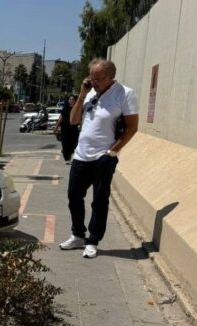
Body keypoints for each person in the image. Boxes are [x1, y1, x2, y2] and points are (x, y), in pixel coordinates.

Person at [59, 58, 139, 259]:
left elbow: (132, 128)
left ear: (111, 77)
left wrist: (111, 152)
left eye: (99, 78)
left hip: (103, 157)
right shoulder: (90, 92)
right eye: (92, 77)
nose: (94, 81)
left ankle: (93, 240)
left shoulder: (125, 94)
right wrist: (82, 93)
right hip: (81, 155)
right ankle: (78, 234)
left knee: (99, 200)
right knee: (73, 196)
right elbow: (74, 120)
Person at [54, 95, 79, 163]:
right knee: (65, 144)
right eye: (70, 99)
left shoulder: (77, 109)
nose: (71, 100)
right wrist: (56, 128)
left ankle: (70, 155)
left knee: (73, 144)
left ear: (75, 101)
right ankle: (67, 159)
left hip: (73, 129)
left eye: (72, 99)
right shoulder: (65, 109)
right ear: (68, 101)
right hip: (65, 129)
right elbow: (60, 119)